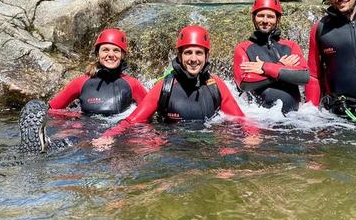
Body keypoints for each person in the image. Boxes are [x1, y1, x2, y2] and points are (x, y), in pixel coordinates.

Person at [93, 25, 259, 146]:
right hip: (172, 148)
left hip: (207, 146)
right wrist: (109, 135)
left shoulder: (216, 85)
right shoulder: (165, 86)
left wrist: (252, 134)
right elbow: (132, 121)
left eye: (199, 53)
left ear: (207, 56)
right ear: (179, 56)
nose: (193, 59)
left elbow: (240, 119)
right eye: (188, 52)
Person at [233, 0, 309, 113]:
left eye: (270, 16)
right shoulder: (243, 48)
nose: (265, 20)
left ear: (277, 19)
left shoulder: (291, 46)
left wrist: (265, 68)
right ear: (253, 18)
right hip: (262, 118)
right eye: (260, 16)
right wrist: (282, 69)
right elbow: (244, 83)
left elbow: (303, 76)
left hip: (295, 119)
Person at [48, 28, 147, 115]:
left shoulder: (133, 84)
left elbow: (148, 114)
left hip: (121, 134)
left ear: (123, 55)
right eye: (105, 50)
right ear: (97, 53)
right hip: (87, 134)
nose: (111, 54)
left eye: (116, 50)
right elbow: (52, 110)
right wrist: (77, 119)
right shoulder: (80, 83)